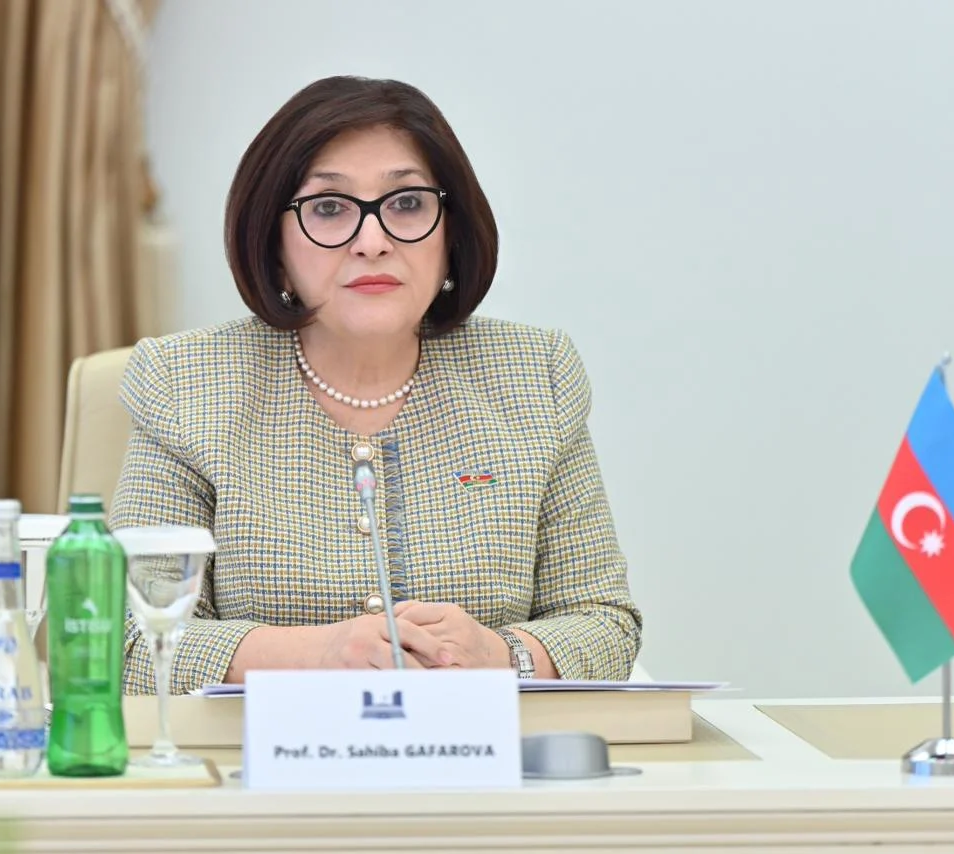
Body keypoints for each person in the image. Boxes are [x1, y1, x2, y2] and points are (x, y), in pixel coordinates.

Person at [110, 75, 642, 695]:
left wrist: (502, 654)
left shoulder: (533, 374)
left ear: (451, 233)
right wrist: (313, 655)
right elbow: (126, 640)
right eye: (328, 208)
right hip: (259, 756)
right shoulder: (187, 383)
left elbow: (605, 624)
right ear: (275, 246)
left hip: (481, 754)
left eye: (407, 204)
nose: (372, 242)